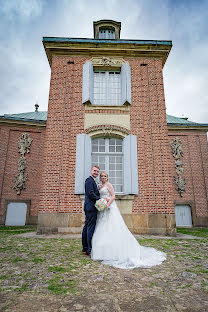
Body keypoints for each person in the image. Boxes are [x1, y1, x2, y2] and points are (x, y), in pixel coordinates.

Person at [91, 171, 166, 269]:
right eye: (102, 176)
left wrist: (107, 204)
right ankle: (103, 251)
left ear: (107, 177)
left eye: (105, 176)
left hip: (109, 208)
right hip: (102, 210)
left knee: (112, 227)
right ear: (100, 177)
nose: (103, 177)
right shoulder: (100, 186)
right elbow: (100, 197)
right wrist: (102, 204)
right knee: (102, 227)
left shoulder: (109, 185)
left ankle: (115, 250)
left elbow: (113, 196)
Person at [82, 165, 101, 256]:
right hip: (91, 207)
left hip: (89, 207)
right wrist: (100, 199)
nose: (96, 173)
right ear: (91, 171)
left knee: (86, 227)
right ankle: (89, 250)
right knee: (90, 228)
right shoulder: (89, 180)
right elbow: (91, 194)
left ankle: (85, 248)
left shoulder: (93, 181)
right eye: (95, 171)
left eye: (97, 171)